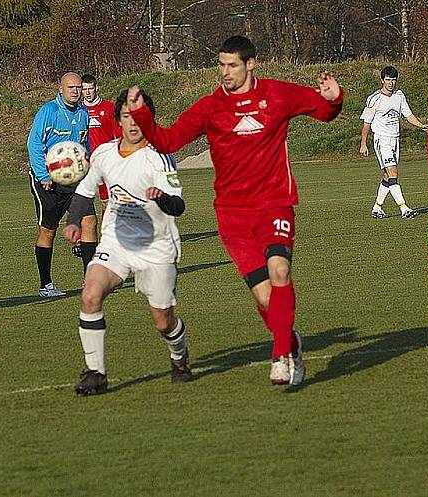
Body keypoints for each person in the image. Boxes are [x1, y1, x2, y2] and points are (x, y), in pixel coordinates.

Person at [127, 35, 344, 386]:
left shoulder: (277, 94)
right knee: (265, 297)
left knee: (280, 269)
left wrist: (334, 99)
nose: (224, 72)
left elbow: (323, 111)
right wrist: (141, 114)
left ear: (250, 64)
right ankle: (291, 344)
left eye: (232, 65)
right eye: (221, 65)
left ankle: (279, 356)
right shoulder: (210, 107)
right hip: (232, 215)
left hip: (275, 202)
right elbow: (168, 141)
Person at [63, 89, 189, 395]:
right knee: (90, 294)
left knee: (163, 321)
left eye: (139, 117)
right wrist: (73, 221)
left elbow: (179, 206)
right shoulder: (104, 153)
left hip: (156, 246)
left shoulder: (159, 157)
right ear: (118, 119)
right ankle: (96, 373)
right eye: (126, 116)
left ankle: (179, 355)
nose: (133, 124)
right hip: (116, 242)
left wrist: (163, 199)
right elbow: (84, 191)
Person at [27, 71, 98, 297]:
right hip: (48, 181)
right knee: (48, 231)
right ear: (61, 89)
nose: (76, 92)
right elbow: (34, 143)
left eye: (78, 88)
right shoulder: (49, 111)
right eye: (71, 88)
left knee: (89, 222)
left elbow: (83, 145)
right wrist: (42, 175)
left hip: (74, 180)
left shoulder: (83, 113)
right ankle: (46, 284)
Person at [359, 65, 428, 219]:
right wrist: (363, 143)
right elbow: (366, 123)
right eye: (388, 79)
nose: (391, 83)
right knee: (393, 172)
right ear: (382, 80)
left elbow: (408, 115)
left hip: (395, 139)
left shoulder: (399, 95)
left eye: (393, 79)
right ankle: (404, 209)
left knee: (387, 176)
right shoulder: (374, 99)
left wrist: (421, 125)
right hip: (382, 140)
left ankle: (377, 208)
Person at [82, 73, 121, 210]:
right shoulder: (79, 110)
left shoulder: (108, 107)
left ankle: (107, 231)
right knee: (83, 202)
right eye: (84, 89)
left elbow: (118, 135)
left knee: (108, 200)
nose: (87, 93)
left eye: (90, 88)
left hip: (105, 161)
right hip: (85, 161)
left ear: (96, 88)